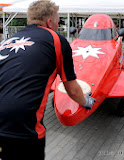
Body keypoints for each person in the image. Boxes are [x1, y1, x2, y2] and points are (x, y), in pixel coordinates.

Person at [0, 1, 95, 160]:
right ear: (49, 21)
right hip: (22, 127)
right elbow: (71, 89)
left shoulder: (8, 40)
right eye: (58, 20)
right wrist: (86, 101)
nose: (59, 24)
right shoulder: (56, 40)